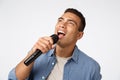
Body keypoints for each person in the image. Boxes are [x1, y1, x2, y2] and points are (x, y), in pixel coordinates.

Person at [8, 8, 102, 80]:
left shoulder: (92, 68)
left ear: (79, 35)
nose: (62, 25)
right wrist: (31, 54)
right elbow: (14, 78)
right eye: (60, 20)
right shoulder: (38, 53)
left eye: (70, 23)